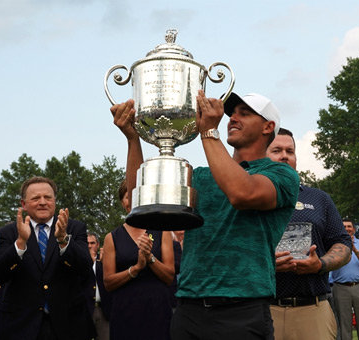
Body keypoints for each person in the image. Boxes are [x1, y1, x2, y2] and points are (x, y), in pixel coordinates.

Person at [111, 91, 300, 339]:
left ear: (268, 127)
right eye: (232, 114)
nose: (232, 118)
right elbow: (140, 198)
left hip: (243, 309)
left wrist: (209, 132)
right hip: (189, 308)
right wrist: (133, 139)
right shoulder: (201, 175)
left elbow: (242, 193)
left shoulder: (281, 174)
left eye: (244, 114)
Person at [267, 127, 351, 340]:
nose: (284, 156)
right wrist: (266, 262)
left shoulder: (319, 199)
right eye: (276, 150)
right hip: (263, 309)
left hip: (312, 309)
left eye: (290, 151)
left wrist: (320, 264)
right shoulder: (247, 196)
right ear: (262, 155)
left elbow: (342, 243)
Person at [0, 176, 95, 340]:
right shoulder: (9, 232)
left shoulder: (74, 228)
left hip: (68, 325)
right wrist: (20, 243)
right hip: (20, 326)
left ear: (54, 200)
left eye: (48, 197)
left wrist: (63, 240)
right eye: (35, 198)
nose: (42, 202)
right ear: (23, 204)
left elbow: (85, 268)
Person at [102, 180, 175, 340]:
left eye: (138, 196)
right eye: (129, 196)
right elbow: (108, 283)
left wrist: (150, 258)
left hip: (157, 309)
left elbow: (169, 277)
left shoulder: (162, 231)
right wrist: (135, 269)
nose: (133, 201)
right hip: (125, 311)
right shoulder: (111, 238)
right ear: (122, 201)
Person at [331, 218, 359, 340]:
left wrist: (354, 249)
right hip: (341, 287)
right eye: (344, 226)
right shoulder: (334, 246)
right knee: (344, 325)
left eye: (349, 226)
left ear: (354, 229)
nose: (347, 229)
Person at [86, 231, 112, 340]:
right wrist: (89, 263)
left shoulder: (104, 260)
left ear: (97, 244)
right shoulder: (79, 261)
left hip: (103, 309)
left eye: (92, 243)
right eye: (87, 243)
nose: (89, 246)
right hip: (86, 309)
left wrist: (104, 261)